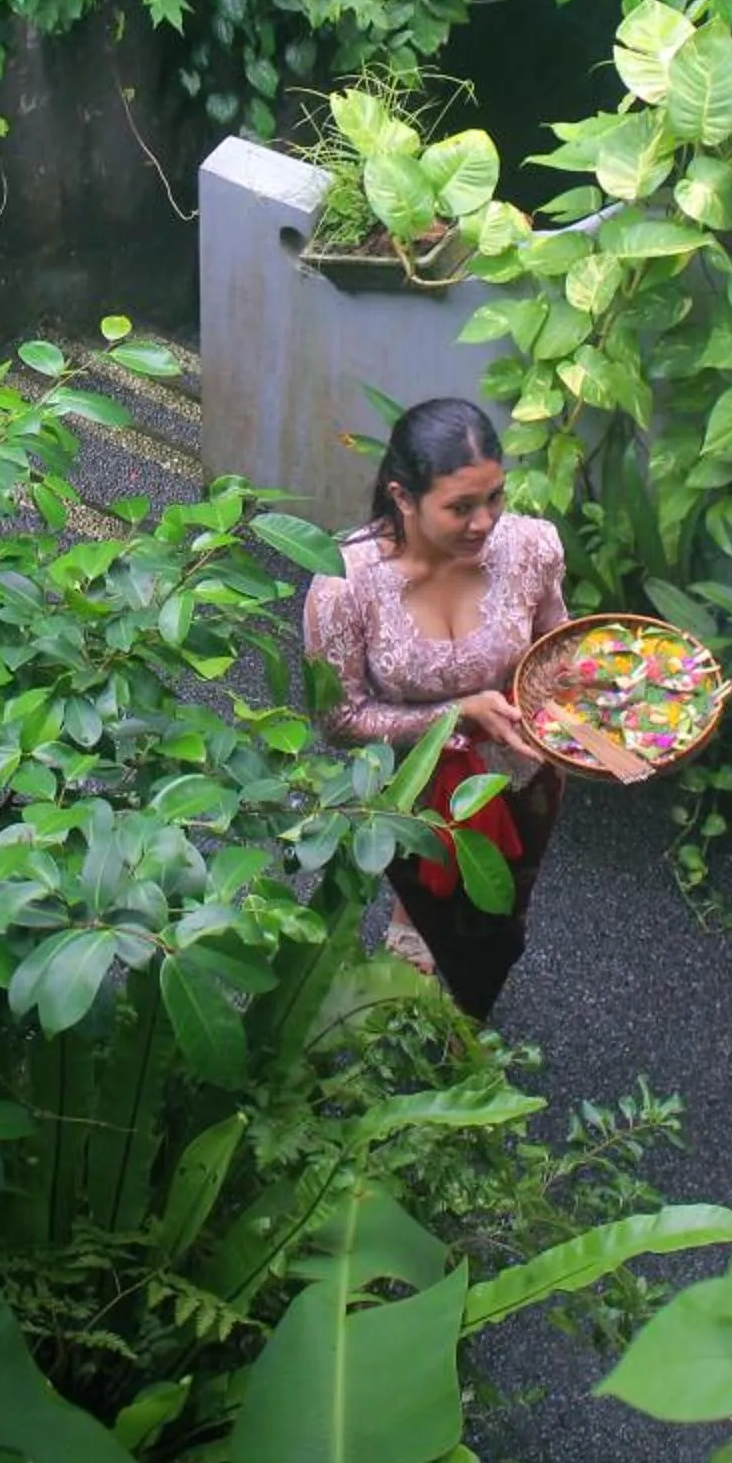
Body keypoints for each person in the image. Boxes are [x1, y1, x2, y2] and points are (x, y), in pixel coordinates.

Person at [302, 396, 568, 1019]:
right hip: (410, 792)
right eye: (461, 507)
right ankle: (416, 937)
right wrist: (456, 716)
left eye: (495, 497)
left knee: (502, 917)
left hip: (522, 774)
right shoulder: (344, 587)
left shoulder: (532, 548)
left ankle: (474, 1004)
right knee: (432, 905)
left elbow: (560, 653)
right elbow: (340, 721)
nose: (485, 523)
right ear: (403, 497)